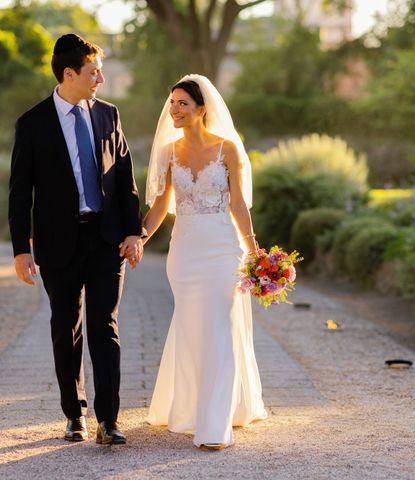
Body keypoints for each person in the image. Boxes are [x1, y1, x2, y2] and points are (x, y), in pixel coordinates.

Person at [8, 34, 145, 445]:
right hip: (58, 245)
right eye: (93, 71)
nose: (100, 77)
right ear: (69, 73)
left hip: (106, 240)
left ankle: (109, 420)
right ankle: (74, 414)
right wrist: (20, 249)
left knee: (105, 325)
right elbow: (20, 192)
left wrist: (133, 231)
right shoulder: (32, 124)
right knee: (65, 328)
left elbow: (125, 179)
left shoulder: (108, 115)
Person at [143, 74, 267, 449]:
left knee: (217, 326)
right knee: (192, 326)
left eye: (182, 103)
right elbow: (161, 206)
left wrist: (254, 250)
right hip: (184, 253)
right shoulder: (168, 153)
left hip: (222, 250)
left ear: (202, 109)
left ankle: (215, 426)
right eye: (172, 103)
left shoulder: (227, 148)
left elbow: (238, 205)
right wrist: (137, 239)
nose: (175, 109)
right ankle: (190, 409)